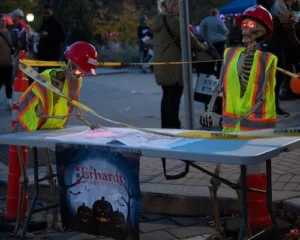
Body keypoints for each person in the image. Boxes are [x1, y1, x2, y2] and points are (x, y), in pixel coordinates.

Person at [18, 41, 100, 132]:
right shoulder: (46, 79)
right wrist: (26, 139)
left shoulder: (76, 82)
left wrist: (90, 126)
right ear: (70, 63)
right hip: (31, 129)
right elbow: (29, 112)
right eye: (79, 72)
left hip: (53, 130)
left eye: (84, 74)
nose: (79, 76)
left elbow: (75, 110)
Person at [152, 0, 207, 129]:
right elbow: (189, 39)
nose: (181, 9)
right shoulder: (174, 21)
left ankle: (166, 126)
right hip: (174, 69)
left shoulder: (159, 21)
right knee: (173, 98)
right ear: (172, 7)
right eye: (178, 5)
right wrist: (202, 46)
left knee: (167, 97)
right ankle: (173, 127)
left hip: (162, 66)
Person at [199, 8, 229, 77]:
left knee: (211, 57)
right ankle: (219, 73)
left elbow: (201, 28)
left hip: (210, 42)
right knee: (220, 57)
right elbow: (225, 30)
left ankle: (211, 72)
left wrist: (204, 37)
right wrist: (224, 35)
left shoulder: (206, 20)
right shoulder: (219, 20)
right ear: (217, 13)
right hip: (220, 41)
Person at [38, 4, 65, 72]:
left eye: (47, 13)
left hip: (53, 56)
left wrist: (48, 35)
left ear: (51, 12)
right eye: (44, 13)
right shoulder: (43, 24)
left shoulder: (57, 24)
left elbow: (62, 38)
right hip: (42, 56)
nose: (46, 15)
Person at [9, 9, 28, 79]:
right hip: (21, 52)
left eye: (13, 16)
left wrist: (16, 53)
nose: (11, 18)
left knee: (19, 75)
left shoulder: (21, 27)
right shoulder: (21, 26)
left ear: (17, 17)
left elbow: (18, 41)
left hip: (21, 53)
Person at [0, 13, 13, 110]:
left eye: (4, 21)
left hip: (8, 63)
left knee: (9, 83)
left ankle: (9, 101)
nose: (3, 22)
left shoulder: (8, 33)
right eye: (1, 21)